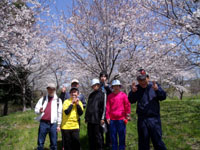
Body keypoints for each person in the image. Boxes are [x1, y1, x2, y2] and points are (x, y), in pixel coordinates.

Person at [128, 69, 167, 150]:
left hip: (154, 118)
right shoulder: (136, 88)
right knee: (143, 142)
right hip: (142, 119)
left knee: (157, 141)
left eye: (144, 79)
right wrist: (133, 92)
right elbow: (131, 100)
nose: (142, 82)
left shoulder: (154, 86)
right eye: (140, 80)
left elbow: (163, 97)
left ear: (148, 78)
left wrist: (157, 90)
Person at [35, 83, 62, 150]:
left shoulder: (58, 100)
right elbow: (36, 110)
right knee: (40, 143)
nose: (50, 90)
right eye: (49, 89)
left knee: (54, 143)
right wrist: (40, 111)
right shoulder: (43, 99)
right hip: (43, 123)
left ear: (55, 89)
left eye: (52, 89)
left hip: (53, 124)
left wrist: (58, 125)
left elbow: (59, 113)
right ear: (47, 89)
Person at [106, 80, 131, 150]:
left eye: (117, 86)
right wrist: (107, 117)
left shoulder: (123, 95)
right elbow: (107, 107)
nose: (116, 87)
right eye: (114, 86)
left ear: (120, 87)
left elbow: (127, 105)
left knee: (122, 136)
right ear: (112, 87)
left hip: (121, 119)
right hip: (112, 120)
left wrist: (128, 115)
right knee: (113, 137)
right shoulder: (110, 96)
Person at [85, 78, 105, 150]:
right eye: (93, 85)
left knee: (98, 136)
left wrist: (103, 118)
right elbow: (88, 107)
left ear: (98, 85)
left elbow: (104, 107)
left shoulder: (102, 94)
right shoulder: (91, 95)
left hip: (97, 119)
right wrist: (86, 117)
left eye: (96, 85)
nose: (95, 86)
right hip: (90, 119)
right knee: (90, 136)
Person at [99, 71, 112, 149]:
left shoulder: (109, 86)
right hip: (100, 109)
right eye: (101, 76)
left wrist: (106, 86)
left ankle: (109, 144)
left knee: (108, 128)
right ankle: (101, 144)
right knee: (100, 128)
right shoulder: (99, 86)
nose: (103, 78)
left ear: (106, 78)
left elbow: (111, 94)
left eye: (104, 76)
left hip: (108, 109)